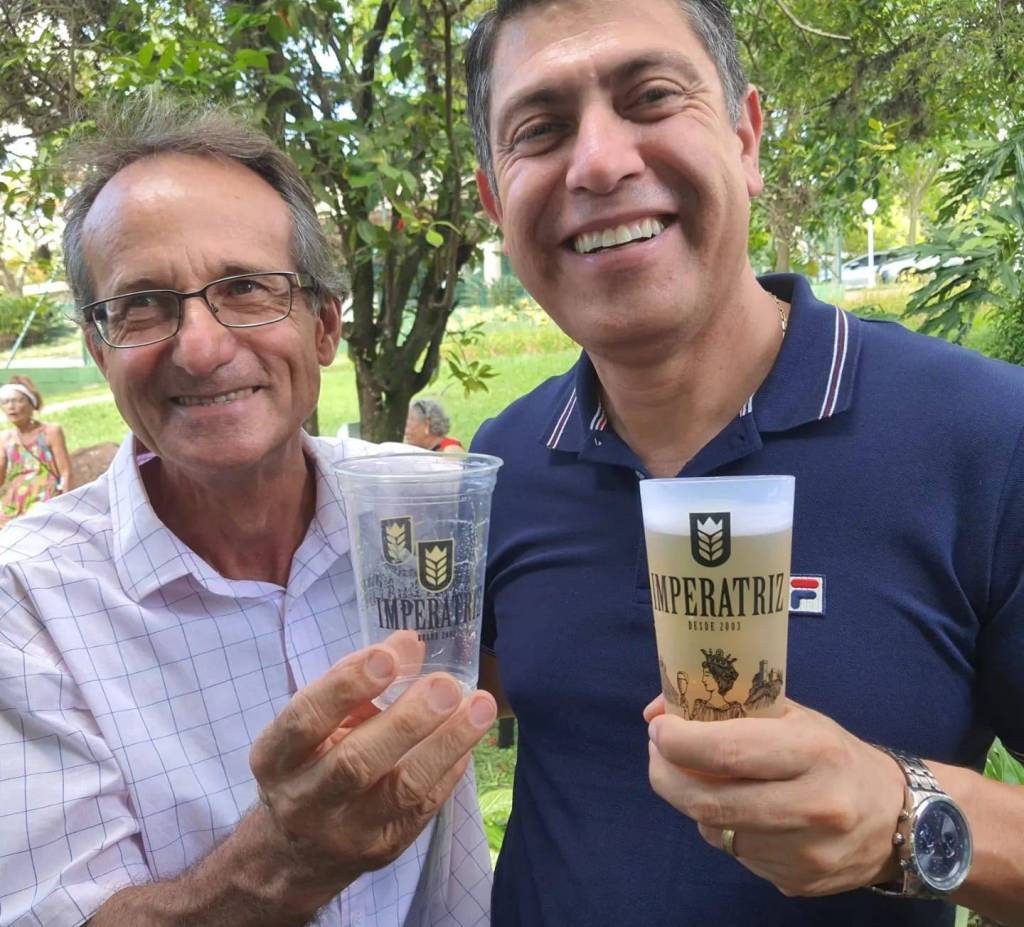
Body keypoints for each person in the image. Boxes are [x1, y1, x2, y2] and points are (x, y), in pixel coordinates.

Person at [464, 1, 1024, 925]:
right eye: (541, 129)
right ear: (496, 202)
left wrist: (903, 813)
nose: (598, 161)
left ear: (746, 138)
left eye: (651, 96)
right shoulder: (504, 460)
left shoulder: (985, 435)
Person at [0, 97, 497, 927]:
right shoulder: (26, 603)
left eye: (245, 288)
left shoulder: (424, 509)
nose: (199, 347)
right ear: (100, 352)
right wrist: (278, 865)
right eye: (142, 304)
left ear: (325, 327)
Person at [0, 374, 72, 525]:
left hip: (43, 500)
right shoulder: (5, 439)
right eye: (5, 402)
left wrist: (66, 505)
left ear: (32, 404)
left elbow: (65, 471)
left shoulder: (50, 432)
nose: (11, 407)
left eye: (18, 400)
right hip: (13, 504)